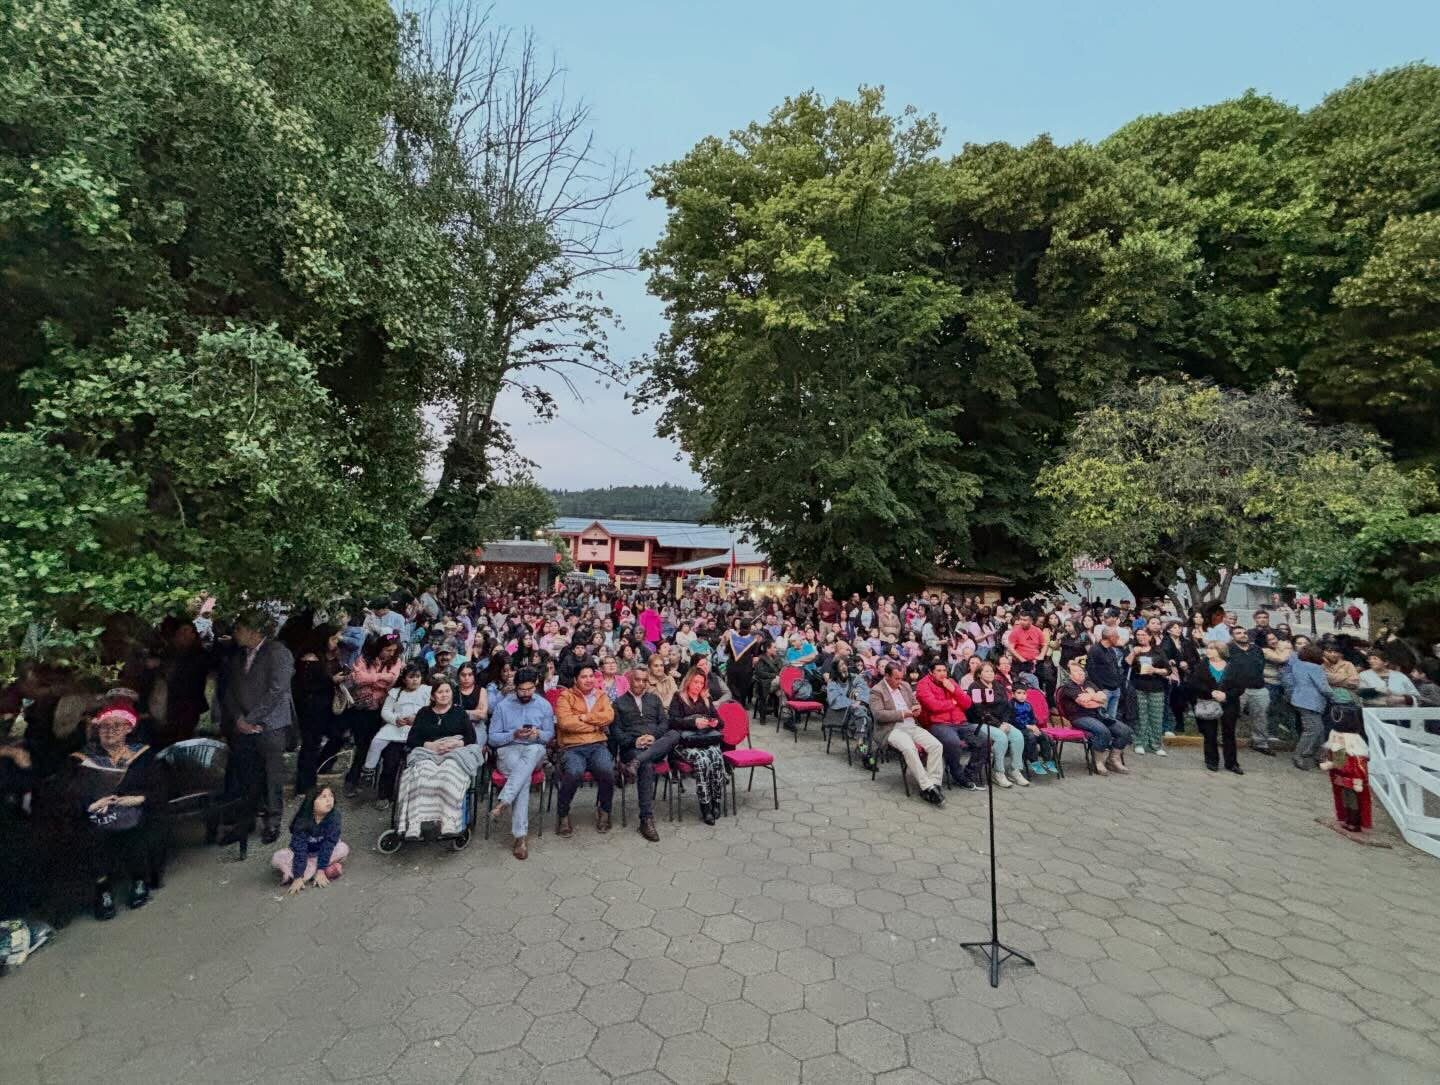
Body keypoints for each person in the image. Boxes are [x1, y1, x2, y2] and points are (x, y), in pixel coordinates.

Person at [69, 703, 164, 920]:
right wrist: (91, 805)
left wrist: (138, 799)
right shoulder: (82, 759)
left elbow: (160, 787)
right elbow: (69, 793)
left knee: (137, 827)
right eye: (104, 726)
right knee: (90, 832)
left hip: (134, 808)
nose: (110, 731)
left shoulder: (142, 755)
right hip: (96, 813)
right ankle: (102, 889)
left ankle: (139, 879)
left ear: (128, 728)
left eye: (117, 726)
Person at [220, 611, 296, 843]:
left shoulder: (277, 652)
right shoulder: (239, 656)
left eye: (239, 629)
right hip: (243, 724)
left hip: (271, 724)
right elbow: (230, 690)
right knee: (247, 775)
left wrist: (252, 718)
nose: (235, 634)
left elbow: (277, 690)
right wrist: (238, 718)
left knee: (272, 775)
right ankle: (246, 820)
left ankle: (273, 821)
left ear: (254, 631)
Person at [394, 678, 485, 839]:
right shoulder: (424, 713)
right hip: (428, 751)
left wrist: (457, 743)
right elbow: (412, 739)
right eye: (440, 692)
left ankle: (448, 821)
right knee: (421, 774)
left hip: (455, 752)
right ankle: (415, 823)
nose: (444, 695)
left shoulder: (459, 712)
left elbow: (471, 738)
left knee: (448, 773)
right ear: (433, 696)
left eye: (447, 691)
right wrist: (429, 745)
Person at [488, 668, 555, 860]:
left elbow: (549, 735)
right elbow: (492, 738)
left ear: (535, 685)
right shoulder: (503, 706)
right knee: (523, 778)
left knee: (533, 751)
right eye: (522, 690)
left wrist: (538, 734)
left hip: (534, 750)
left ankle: (504, 801)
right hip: (509, 750)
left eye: (530, 689)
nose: (526, 693)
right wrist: (513, 734)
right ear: (515, 687)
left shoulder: (544, 705)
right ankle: (520, 837)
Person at [613, 665, 675, 841]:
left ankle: (637, 762)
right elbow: (617, 733)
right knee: (646, 766)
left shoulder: (654, 699)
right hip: (632, 749)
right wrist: (635, 741)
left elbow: (664, 723)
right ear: (629, 680)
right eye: (637, 679)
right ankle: (646, 819)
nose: (641, 683)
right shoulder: (618, 703)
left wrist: (653, 736)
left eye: (644, 680)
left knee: (674, 734)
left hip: (654, 746)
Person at [553, 665, 616, 836]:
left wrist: (585, 717)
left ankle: (604, 810)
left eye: (591, 676)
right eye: (584, 677)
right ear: (575, 680)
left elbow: (609, 716)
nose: (589, 680)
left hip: (597, 745)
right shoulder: (565, 696)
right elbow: (566, 723)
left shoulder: (601, 695)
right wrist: (595, 726)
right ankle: (563, 813)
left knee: (607, 771)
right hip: (572, 747)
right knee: (574, 772)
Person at [869, 662, 944, 804]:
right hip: (891, 729)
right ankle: (927, 787)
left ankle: (935, 783)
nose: (900, 682)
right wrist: (903, 714)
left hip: (911, 726)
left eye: (901, 678)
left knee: (936, 745)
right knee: (909, 748)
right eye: (896, 678)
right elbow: (879, 715)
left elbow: (914, 702)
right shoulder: (877, 691)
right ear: (887, 676)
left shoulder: (905, 686)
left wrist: (917, 708)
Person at [343, 632, 403, 797]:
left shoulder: (396, 662)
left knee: (371, 744)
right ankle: (354, 778)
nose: (390, 653)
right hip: (360, 707)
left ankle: (361, 778)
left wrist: (370, 678)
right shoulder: (365, 658)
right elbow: (357, 678)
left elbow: (391, 679)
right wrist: (379, 679)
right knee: (361, 744)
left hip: (380, 709)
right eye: (388, 650)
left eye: (393, 650)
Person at [668, 667, 728, 825]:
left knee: (717, 757)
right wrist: (693, 722)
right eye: (695, 682)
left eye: (701, 683)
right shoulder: (679, 697)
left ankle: (716, 801)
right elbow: (672, 721)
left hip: (705, 740)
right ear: (688, 681)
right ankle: (705, 806)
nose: (698, 685)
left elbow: (721, 722)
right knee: (702, 760)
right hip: (685, 743)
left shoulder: (705, 698)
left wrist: (714, 722)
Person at [1055, 658, 1133, 776]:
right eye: (1076, 671)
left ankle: (1113, 760)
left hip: (1098, 715)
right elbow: (1085, 704)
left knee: (1125, 731)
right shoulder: (1068, 687)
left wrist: (1090, 697)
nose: (1080, 673)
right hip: (1079, 717)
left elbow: (1103, 698)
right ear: (1070, 676)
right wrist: (1094, 696)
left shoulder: (1089, 683)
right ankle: (1098, 762)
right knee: (1103, 731)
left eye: (1081, 671)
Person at [915, 660, 983, 790]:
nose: (942, 673)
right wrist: (953, 702)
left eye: (944, 670)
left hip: (960, 723)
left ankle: (969, 774)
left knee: (985, 740)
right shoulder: (923, 684)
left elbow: (967, 704)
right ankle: (957, 775)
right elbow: (933, 706)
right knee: (953, 742)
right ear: (931, 672)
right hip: (938, 724)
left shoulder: (950, 682)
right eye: (938, 671)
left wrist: (954, 691)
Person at [294, 625, 346, 793]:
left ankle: (319, 767)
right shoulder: (310, 659)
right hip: (312, 709)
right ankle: (305, 784)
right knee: (310, 745)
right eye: (333, 638)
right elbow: (306, 686)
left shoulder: (329, 656)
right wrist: (331, 680)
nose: (336, 642)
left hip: (326, 707)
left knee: (337, 736)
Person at [366, 665, 431, 798]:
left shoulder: (426, 690)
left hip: (417, 731)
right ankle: (370, 771)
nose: (415, 680)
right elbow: (385, 711)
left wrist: (418, 718)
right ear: (404, 679)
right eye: (411, 677)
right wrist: (395, 719)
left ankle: (411, 796)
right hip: (396, 728)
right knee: (383, 751)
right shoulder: (396, 692)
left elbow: (432, 710)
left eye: (417, 677)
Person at [272, 786, 348, 893]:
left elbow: (328, 845)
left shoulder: (335, 817)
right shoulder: (303, 820)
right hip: (302, 854)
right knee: (277, 858)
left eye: (331, 796)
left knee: (343, 848)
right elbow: (300, 849)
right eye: (323, 797)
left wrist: (321, 870)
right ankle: (315, 872)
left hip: (321, 853)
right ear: (312, 802)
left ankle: (313, 872)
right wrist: (298, 876)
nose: (329, 800)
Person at [967, 662, 1028, 789]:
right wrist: (998, 724)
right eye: (986, 671)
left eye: (992, 671)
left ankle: (1014, 770)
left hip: (1000, 723)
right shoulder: (975, 687)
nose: (990, 674)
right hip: (980, 722)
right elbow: (979, 711)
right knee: (1001, 737)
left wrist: (1005, 721)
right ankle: (998, 772)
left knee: (1017, 736)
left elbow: (1007, 706)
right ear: (979, 674)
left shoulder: (998, 686)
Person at [1187, 642, 1240, 774]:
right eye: (1208, 648)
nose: (1208, 651)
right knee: (1210, 733)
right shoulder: (1200, 666)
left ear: (1220, 651)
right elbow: (1193, 684)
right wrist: (1211, 692)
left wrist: (1226, 695)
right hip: (1208, 702)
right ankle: (1211, 761)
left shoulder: (1233, 666)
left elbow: (1240, 686)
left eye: (1212, 648)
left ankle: (1231, 763)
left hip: (1229, 703)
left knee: (1229, 733)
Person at [1223, 628, 1274, 756]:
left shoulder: (1256, 649)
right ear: (1232, 636)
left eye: (1244, 633)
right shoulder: (1228, 649)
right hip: (1236, 690)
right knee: (1231, 716)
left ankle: (1260, 743)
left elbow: (1261, 665)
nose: (1243, 635)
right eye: (1238, 633)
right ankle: (1227, 740)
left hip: (1258, 689)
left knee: (1260, 717)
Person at [1127, 628, 1172, 756]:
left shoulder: (1158, 651)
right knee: (1140, 716)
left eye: (1143, 634)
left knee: (1156, 717)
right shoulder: (1134, 650)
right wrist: (1133, 653)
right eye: (1138, 635)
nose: (1141, 637)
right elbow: (1126, 664)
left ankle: (1156, 745)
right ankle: (1139, 743)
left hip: (1156, 687)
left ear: (1150, 636)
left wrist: (1155, 670)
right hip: (1139, 687)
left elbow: (1168, 670)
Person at [1286, 644, 1332, 770]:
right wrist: (1333, 695)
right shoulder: (1315, 668)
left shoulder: (1297, 665)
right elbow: (1323, 687)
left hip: (1299, 699)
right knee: (1312, 730)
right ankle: (1298, 755)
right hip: (1311, 702)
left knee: (1319, 729)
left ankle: (1320, 755)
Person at [1084, 627, 1126, 721]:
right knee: (1101, 719)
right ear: (1110, 637)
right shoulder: (1095, 650)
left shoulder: (1111, 650)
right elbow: (1091, 671)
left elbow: (1116, 668)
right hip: (1104, 690)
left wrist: (1118, 684)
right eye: (1117, 636)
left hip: (1115, 689)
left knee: (1112, 719)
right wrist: (1100, 688)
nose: (1118, 638)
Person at [725, 620, 761, 706]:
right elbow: (755, 656)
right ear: (749, 628)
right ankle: (741, 706)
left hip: (732, 667)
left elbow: (726, 651)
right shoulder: (753, 641)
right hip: (745, 668)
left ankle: (732, 705)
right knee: (743, 687)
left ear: (740, 627)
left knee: (732, 686)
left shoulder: (732, 638)